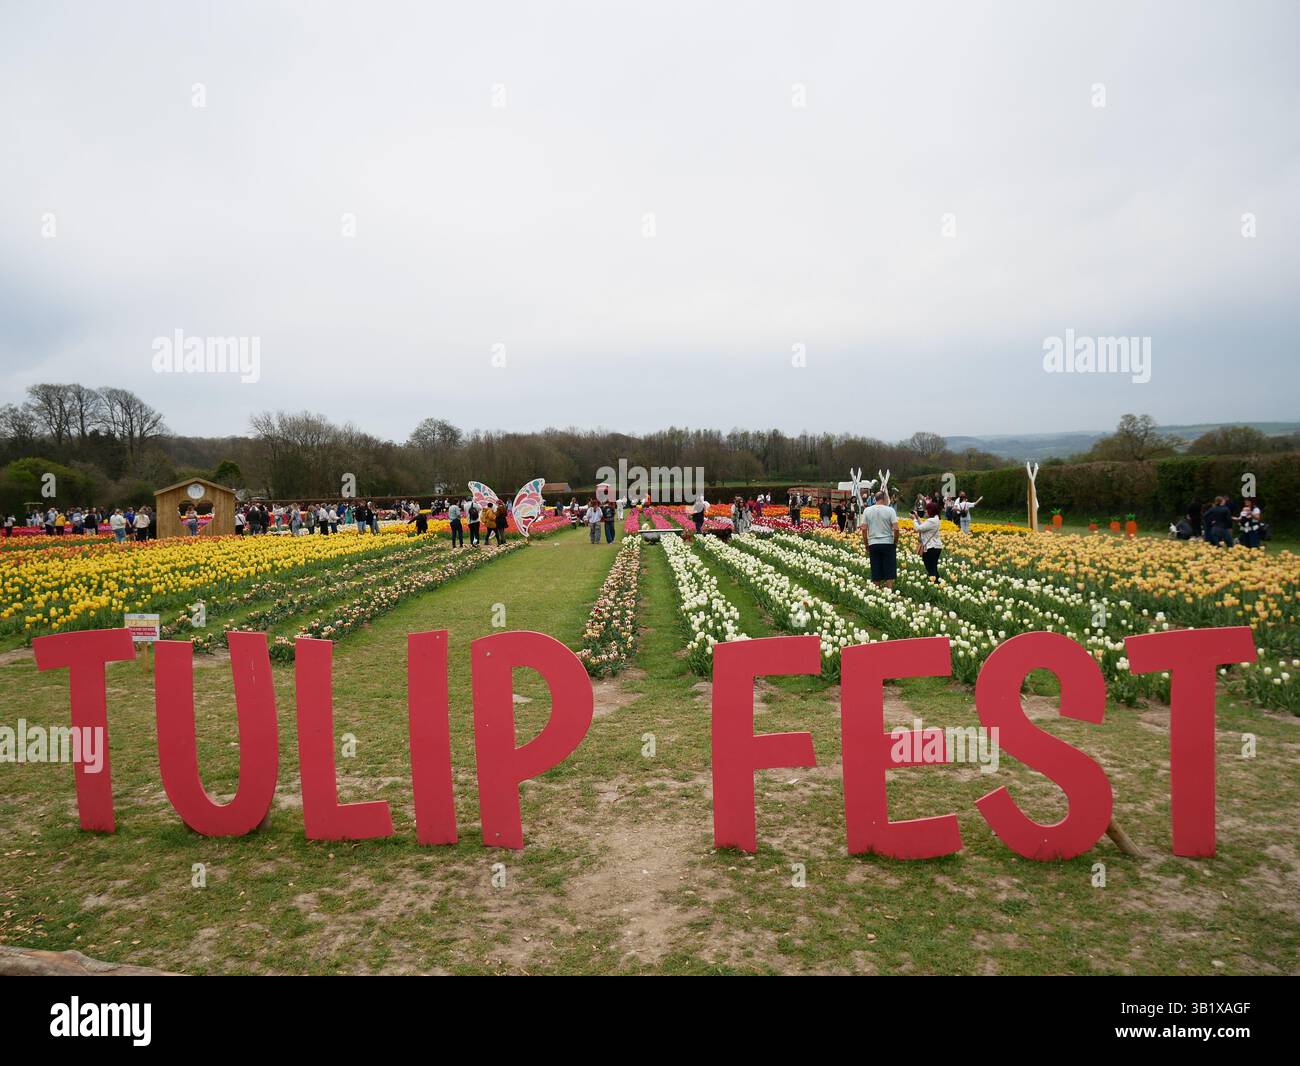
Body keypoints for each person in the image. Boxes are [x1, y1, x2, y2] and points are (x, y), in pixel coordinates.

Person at [862, 490, 900, 589]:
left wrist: (866, 544)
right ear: (884, 499)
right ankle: (889, 590)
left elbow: (864, 529)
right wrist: (895, 542)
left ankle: (876, 590)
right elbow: (896, 528)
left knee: (875, 567)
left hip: (873, 543)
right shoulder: (890, 510)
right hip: (887, 542)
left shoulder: (867, 510)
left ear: (876, 499)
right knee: (889, 568)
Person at [914, 499, 943, 582]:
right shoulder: (936, 519)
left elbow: (918, 528)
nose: (925, 511)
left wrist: (914, 520)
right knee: (932, 567)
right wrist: (917, 518)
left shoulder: (932, 521)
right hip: (936, 547)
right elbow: (924, 526)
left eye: (927, 510)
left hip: (931, 547)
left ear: (931, 511)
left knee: (930, 567)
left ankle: (934, 583)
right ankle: (938, 582)